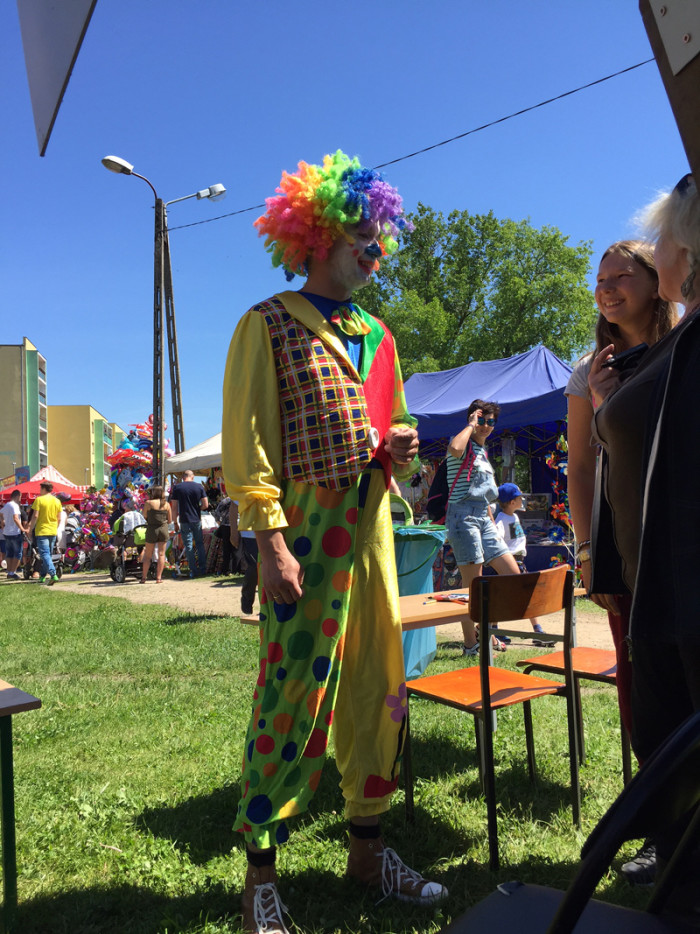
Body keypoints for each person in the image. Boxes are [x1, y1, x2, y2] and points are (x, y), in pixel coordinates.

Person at [222, 151, 446, 934]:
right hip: (306, 537)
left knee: (379, 685)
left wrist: (401, 448)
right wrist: (271, 542)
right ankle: (259, 877)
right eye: (364, 239)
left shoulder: (378, 336)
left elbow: (391, 430)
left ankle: (366, 851)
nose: (376, 253)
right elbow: (248, 439)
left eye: (381, 241)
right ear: (318, 235)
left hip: (374, 532)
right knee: (291, 691)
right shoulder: (267, 323)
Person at [588, 174, 700, 898]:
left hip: (684, 582)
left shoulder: (684, 340)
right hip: (649, 574)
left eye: (660, 240)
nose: (606, 290)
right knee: (663, 731)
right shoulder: (655, 351)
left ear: (685, 251)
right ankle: (679, 864)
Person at [565, 240, 679, 885]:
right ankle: (663, 831)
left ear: (657, 280)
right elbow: (581, 468)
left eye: (621, 276)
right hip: (624, 546)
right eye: (599, 279)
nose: (606, 288)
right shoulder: (589, 371)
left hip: (683, 536)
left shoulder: (685, 343)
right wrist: (585, 550)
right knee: (644, 689)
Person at [444, 400, 522, 655]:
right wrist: (470, 426)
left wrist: (491, 522)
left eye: (491, 422)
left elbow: (486, 496)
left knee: (512, 575)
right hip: (462, 517)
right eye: (482, 420)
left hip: (483, 517)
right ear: (472, 420)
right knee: (472, 588)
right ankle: (471, 644)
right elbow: (455, 449)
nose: (486, 426)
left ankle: (486, 630)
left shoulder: (482, 451)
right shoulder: (462, 441)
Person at [493, 483, 548, 643]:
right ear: (512, 502)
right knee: (521, 596)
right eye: (519, 498)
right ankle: (536, 630)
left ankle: (495, 629)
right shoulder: (502, 519)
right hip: (510, 562)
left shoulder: (514, 517)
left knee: (508, 597)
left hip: (518, 561)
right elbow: (497, 538)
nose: (522, 500)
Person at [170, 470, 208, 578]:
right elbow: (206, 505)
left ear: (183, 477)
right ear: (193, 477)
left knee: (188, 545)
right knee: (199, 544)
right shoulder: (199, 487)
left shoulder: (177, 488)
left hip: (184, 519)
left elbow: (174, 507)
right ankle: (203, 569)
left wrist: (175, 522)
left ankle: (193, 570)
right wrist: (198, 509)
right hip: (196, 519)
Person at [27, 482, 63, 585]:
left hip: (42, 530)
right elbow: (59, 518)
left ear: (43, 489)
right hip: (52, 530)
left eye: (40, 489)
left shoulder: (39, 500)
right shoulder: (57, 501)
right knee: (48, 555)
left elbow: (35, 516)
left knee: (44, 554)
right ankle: (42, 575)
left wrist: (30, 529)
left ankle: (53, 574)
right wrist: (55, 527)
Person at [228, 500, 258, 615]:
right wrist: (233, 532)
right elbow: (233, 507)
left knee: (268, 569)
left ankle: (266, 608)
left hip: (271, 530)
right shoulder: (242, 488)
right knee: (254, 568)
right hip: (250, 533)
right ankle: (247, 600)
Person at [140, 486, 171, 584]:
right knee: (161, 554)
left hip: (152, 529)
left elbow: (144, 516)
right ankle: (158, 578)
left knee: (148, 555)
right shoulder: (166, 504)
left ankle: (143, 578)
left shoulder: (148, 503)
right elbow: (170, 520)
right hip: (163, 529)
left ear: (153, 493)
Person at [1, 490, 28, 579]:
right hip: (15, 532)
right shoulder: (15, 506)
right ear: (18, 496)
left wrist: (2, 522)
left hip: (6, 532)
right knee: (18, 554)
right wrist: (22, 529)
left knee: (9, 553)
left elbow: (1, 513)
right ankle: (12, 572)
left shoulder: (7, 505)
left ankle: (9, 571)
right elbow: (16, 518)